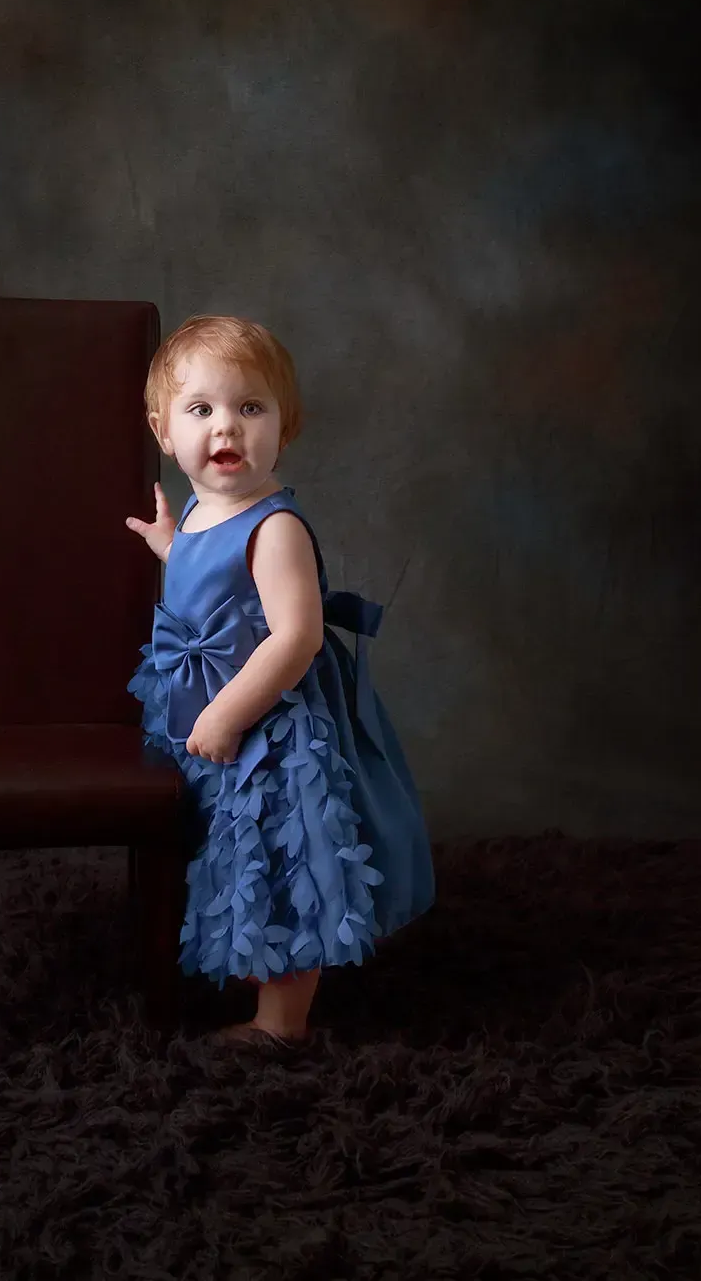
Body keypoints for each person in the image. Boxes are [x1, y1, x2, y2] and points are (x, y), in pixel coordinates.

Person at [125, 314, 435, 1049]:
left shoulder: (275, 527)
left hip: (270, 728)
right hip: (209, 708)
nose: (225, 427)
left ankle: (281, 1022)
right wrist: (174, 546)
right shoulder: (205, 508)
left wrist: (230, 714)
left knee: (281, 858)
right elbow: (215, 582)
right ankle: (236, 959)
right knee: (227, 855)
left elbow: (293, 637)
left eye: (250, 408)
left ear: (284, 427)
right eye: (200, 410)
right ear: (163, 432)